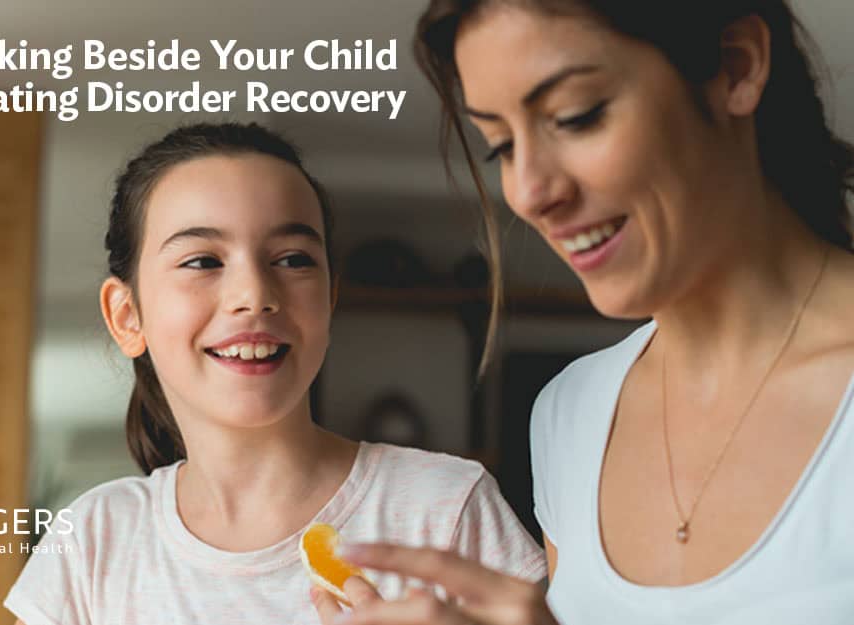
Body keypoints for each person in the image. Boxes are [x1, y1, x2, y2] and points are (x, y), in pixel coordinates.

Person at [311, 1, 854, 624]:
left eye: (576, 116)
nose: (530, 192)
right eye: (501, 146)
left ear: (734, 68)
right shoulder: (571, 412)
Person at [2, 122, 546, 625]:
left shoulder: (445, 506)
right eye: (202, 261)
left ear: (329, 301)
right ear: (127, 316)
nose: (255, 296)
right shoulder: (92, 539)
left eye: (292, 259)